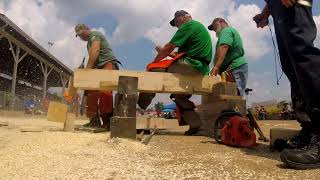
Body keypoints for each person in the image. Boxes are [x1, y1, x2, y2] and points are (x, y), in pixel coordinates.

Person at [254, 0, 320, 169]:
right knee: (291, 65)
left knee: (303, 56)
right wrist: (266, 13)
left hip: (292, 4)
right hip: (278, 7)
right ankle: (310, 130)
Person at [138, 10, 212, 135]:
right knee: (179, 96)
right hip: (200, 66)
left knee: (153, 69)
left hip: (191, 64)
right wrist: (165, 52)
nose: (177, 26)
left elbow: (169, 47)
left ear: (182, 18)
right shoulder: (197, 27)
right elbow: (177, 54)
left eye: (176, 23)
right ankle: (196, 125)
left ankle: (140, 108)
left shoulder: (188, 25)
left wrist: (155, 61)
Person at [75, 24, 121, 130]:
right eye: (79, 36)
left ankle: (107, 122)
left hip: (108, 64)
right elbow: (93, 59)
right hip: (99, 68)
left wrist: (87, 71)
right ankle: (94, 120)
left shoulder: (94, 35)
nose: (81, 37)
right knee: (90, 92)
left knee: (105, 91)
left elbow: (95, 51)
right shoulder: (88, 43)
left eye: (82, 34)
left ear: (87, 29)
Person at [207, 18, 248, 96]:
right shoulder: (227, 32)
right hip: (232, 67)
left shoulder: (226, 31)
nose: (214, 30)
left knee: (232, 95)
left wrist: (216, 66)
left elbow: (224, 46)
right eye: (213, 29)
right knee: (235, 95)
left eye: (215, 26)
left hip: (233, 66)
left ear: (221, 22)